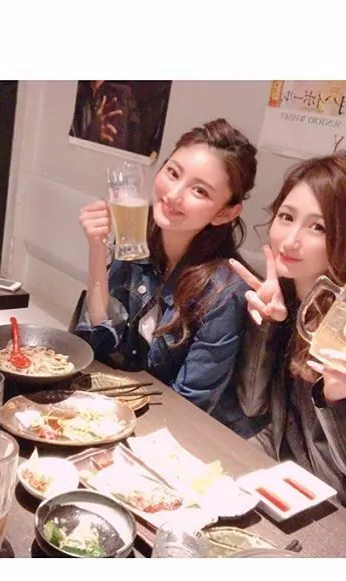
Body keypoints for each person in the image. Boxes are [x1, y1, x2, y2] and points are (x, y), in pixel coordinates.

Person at [229, 151, 346, 554]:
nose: (290, 240)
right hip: (295, 485)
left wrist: (341, 398)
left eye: (318, 226)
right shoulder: (287, 296)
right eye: (286, 216)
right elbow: (251, 406)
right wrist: (267, 328)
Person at [74, 119, 260, 433]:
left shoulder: (224, 292)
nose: (174, 194)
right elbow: (101, 339)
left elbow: (190, 406)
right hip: (126, 413)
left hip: (181, 436)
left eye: (199, 190)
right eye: (173, 173)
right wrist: (97, 249)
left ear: (225, 213)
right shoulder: (138, 237)